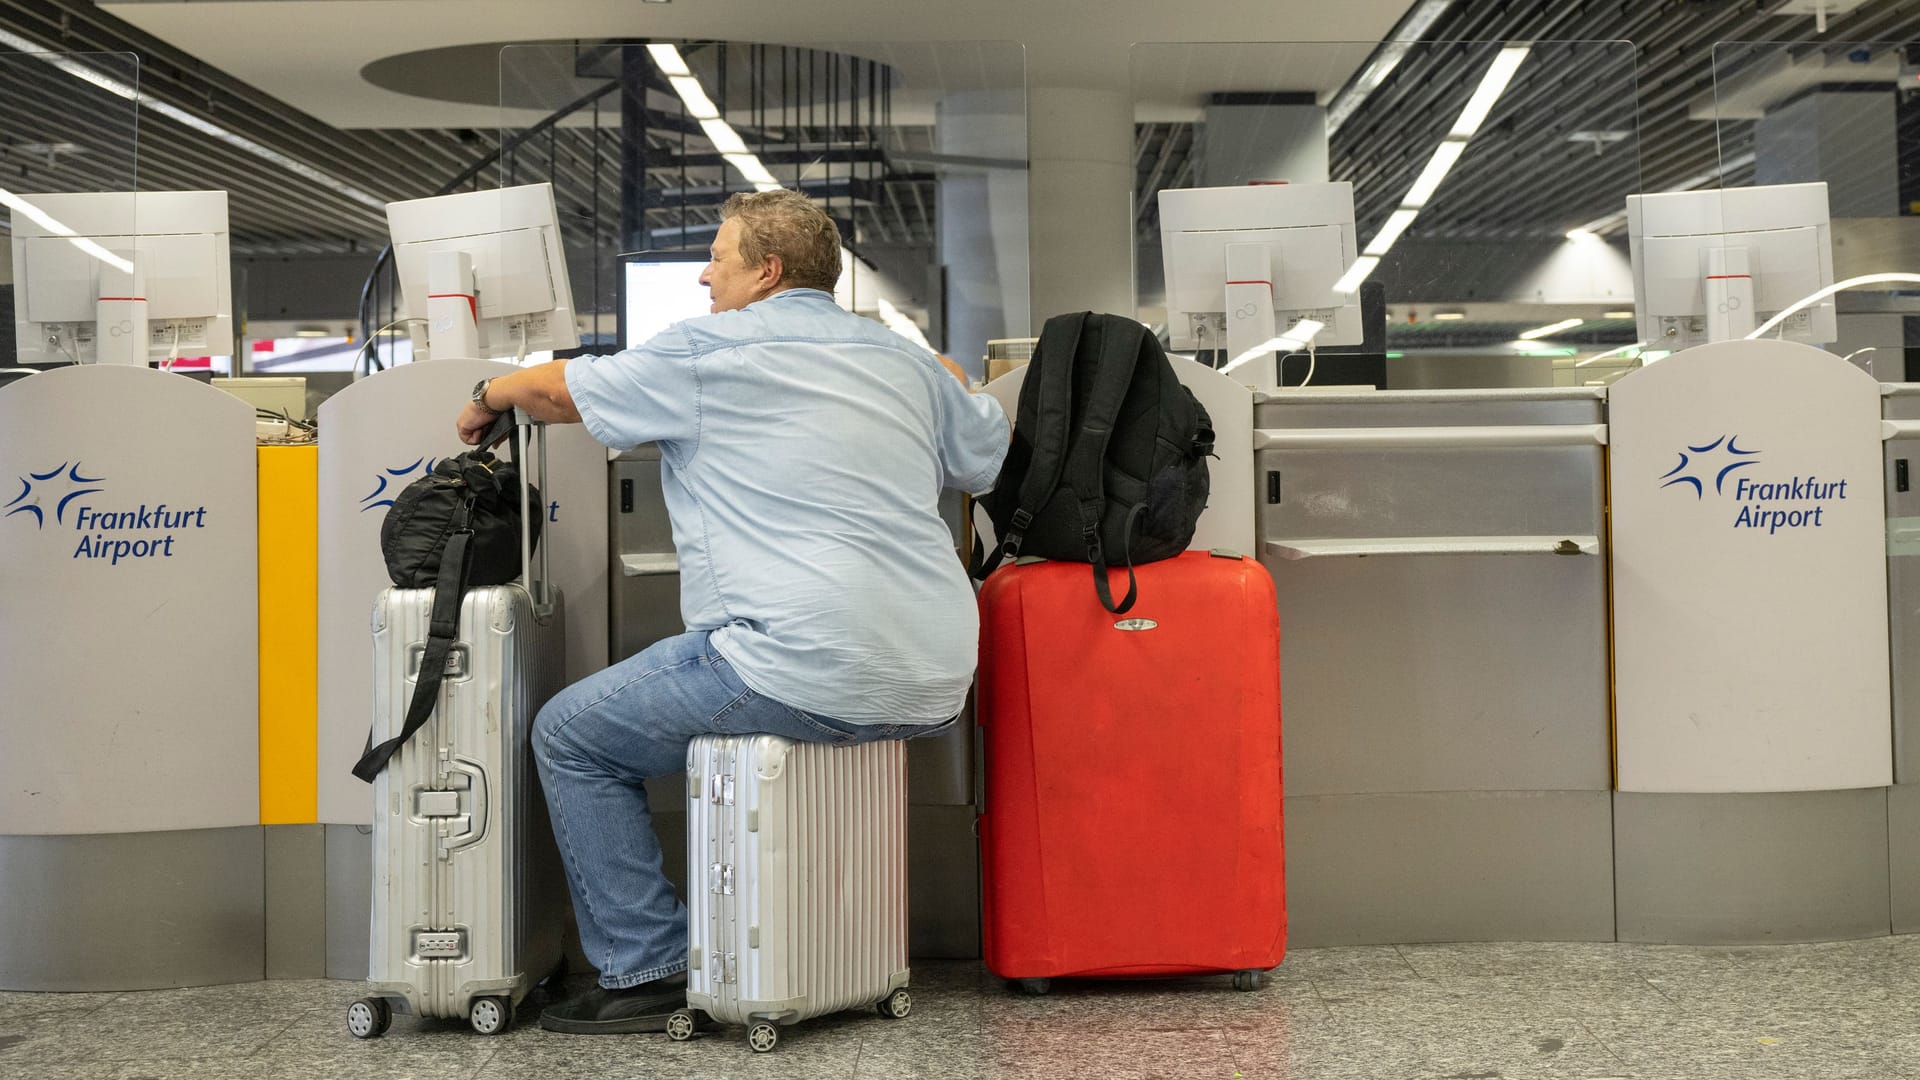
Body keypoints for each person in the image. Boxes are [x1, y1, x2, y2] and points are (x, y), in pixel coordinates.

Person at [453, 188, 1009, 1034]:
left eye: (718, 258)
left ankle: (644, 966)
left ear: (767, 272)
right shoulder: (899, 358)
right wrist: (953, 379)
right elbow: (983, 455)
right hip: (934, 677)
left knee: (571, 735)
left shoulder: (709, 350)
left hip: (796, 664)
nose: (705, 276)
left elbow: (564, 393)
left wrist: (490, 388)